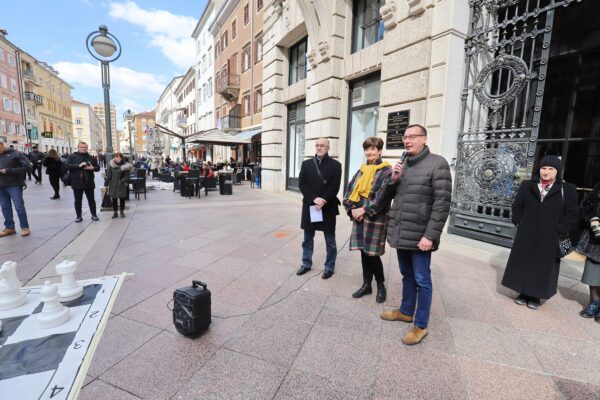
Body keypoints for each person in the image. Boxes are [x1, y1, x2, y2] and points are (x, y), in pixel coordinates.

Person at [381, 124, 452, 345]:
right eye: (405, 137)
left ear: (425, 139)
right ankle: (405, 311)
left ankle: (420, 325)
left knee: (423, 280)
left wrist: (430, 236)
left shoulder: (437, 163)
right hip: (402, 230)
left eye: (413, 136)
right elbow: (388, 194)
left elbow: (442, 204)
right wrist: (394, 178)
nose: (407, 140)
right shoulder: (404, 163)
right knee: (407, 275)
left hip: (421, 234)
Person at [502, 155, 579, 310]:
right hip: (527, 232)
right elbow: (517, 206)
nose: (546, 172)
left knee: (542, 266)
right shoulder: (527, 185)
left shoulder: (567, 189)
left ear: (557, 171)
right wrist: (519, 222)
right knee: (523, 262)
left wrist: (559, 229)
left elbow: (572, 214)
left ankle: (535, 296)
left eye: (551, 169)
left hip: (550, 236)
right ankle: (522, 293)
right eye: (544, 168)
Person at [343, 137, 392, 303]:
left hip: (375, 218)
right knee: (364, 252)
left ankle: (380, 285)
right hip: (359, 217)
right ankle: (366, 284)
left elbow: (382, 198)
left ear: (379, 150)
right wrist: (352, 210)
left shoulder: (387, 171)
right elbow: (349, 190)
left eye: (373, 149)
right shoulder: (362, 170)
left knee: (373, 254)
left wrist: (364, 210)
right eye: (367, 149)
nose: (370, 152)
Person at [297, 138, 342, 279]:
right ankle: (306, 263)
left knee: (330, 240)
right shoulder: (306, 164)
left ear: (328, 147)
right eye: (317, 145)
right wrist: (314, 199)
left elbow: (335, 186)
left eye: (322, 145)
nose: (319, 147)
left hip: (327, 206)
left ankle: (329, 267)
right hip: (310, 205)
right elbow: (302, 184)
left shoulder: (336, 165)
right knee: (307, 238)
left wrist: (323, 200)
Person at [575, 181, 600, 322]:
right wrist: (593, 218)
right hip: (597, 238)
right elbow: (587, 205)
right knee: (594, 272)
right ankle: (594, 302)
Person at [0, 138, 31, 237]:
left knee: (19, 206)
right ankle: (9, 227)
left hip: (14, 185)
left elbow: (27, 167)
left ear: (2, 144)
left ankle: (25, 227)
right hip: (1, 186)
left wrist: (8, 171)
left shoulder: (16, 154)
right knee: (5, 207)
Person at [67, 142, 100, 222]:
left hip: (89, 182)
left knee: (91, 200)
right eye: (81, 147)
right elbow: (67, 166)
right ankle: (78, 216)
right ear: (78, 148)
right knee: (78, 200)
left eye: (85, 147)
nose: (83, 148)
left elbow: (97, 168)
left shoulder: (91, 157)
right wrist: (79, 165)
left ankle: (94, 215)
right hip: (77, 182)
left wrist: (93, 168)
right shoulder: (72, 157)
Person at [105, 152, 133, 218]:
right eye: (115, 157)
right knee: (114, 199)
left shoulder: (126, 166)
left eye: (118, 157)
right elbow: (109, 176)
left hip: (121, 185)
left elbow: (127, 176)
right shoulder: (111, 165)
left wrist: (121, 181)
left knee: (122, 199)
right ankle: (115, 213)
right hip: (113, 184)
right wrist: (106, 183)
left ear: (121, 158)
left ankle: (122, 212)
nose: (116, 158)